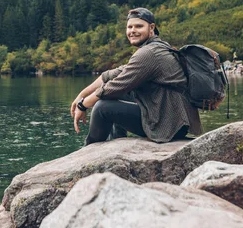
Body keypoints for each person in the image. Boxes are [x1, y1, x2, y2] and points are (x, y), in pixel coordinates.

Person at [71, 8, 202, 145]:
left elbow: (116, 86)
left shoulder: (149, 53)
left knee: (101, 107)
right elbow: (114, 74)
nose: (133, 30)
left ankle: (91, 152)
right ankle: (116, 144)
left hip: (168, 125)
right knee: (112, 96)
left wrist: (83, 105)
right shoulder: (157, 47)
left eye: (139, 26)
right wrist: (82, 94)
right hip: (174, 118)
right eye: (129, 27)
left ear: (151, 28)